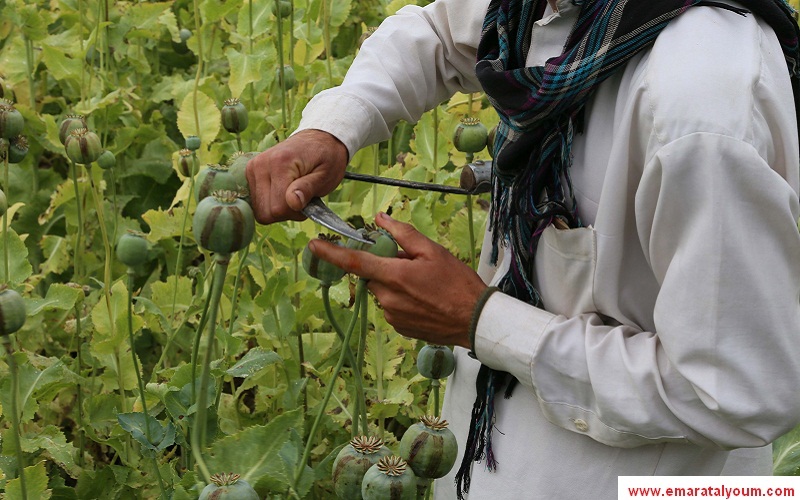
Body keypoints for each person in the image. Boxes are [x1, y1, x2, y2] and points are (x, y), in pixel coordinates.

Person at [246, 0, 800, 498]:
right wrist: (336, 126)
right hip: (479, 451)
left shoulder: (701, 109)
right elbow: (442, 33)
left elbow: (739, 392)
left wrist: (481, 320)